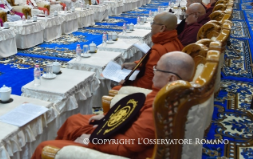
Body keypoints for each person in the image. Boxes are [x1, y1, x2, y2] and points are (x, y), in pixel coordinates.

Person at [31, 51, 195, 159]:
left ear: (171, 79)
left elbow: (126, 146)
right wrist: (109, 117)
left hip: (124, 148)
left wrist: (90, 140)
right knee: (74, 120)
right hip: (123, 130)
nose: (152, 72)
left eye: (156, 70)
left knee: (45, 147)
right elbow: (136, 114)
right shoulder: (169, 93)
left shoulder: (162, 105)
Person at [112, 12, 184, 91]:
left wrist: (128, 84)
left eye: (153, 23)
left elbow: (148, 82)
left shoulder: (159, 49)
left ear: (162, 28)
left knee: (115, 89)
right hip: (171, 86)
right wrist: (135, 64)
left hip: (154, 91)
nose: (151, 26)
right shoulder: (175, 41)